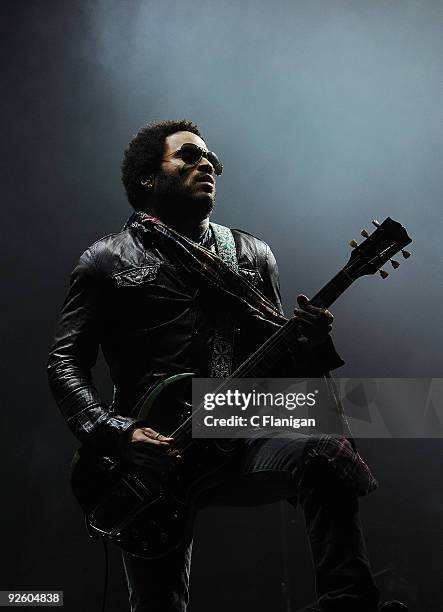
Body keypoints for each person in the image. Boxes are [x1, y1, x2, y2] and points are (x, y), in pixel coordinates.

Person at [47, 119, 402, 612]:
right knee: (158, 603)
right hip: (148, 456)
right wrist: (118, 434)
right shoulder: (106, 260)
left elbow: (281, 372)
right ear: (149, 178)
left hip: (236, 427)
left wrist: (314, 343)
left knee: (325, 451)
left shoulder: (253, 255)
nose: (206, 164)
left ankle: (347, 601)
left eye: (210, 159)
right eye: (188, 156)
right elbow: (65, 361)